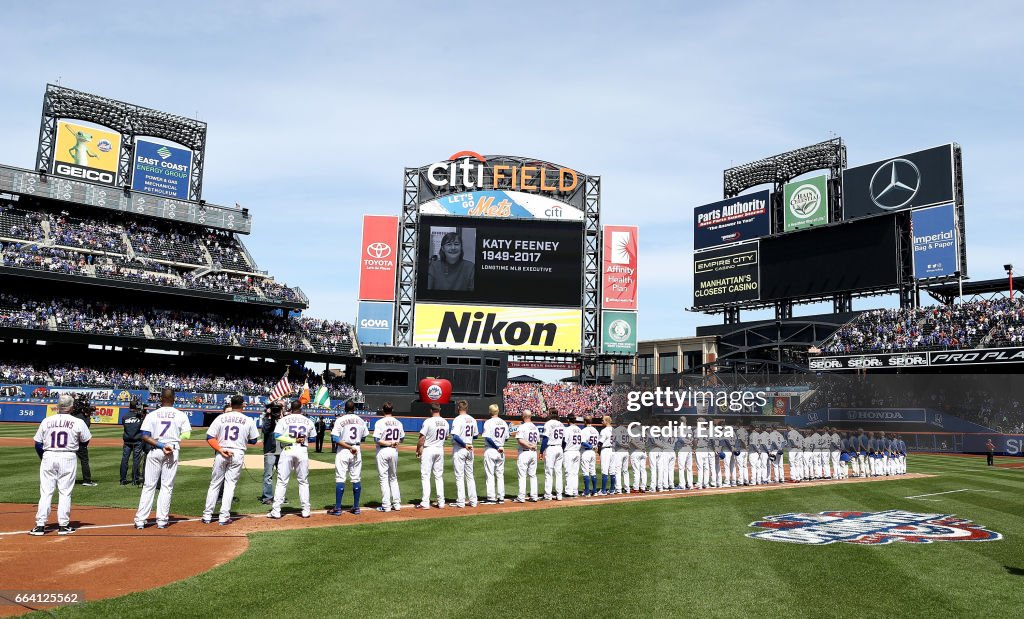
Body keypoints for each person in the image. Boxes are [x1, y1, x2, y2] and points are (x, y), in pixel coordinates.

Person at [30, 394, 92, 536]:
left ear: (58, 406)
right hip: (68, 456)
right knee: (65, 492)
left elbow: (38, 443)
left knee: (46, 492)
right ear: (71, 407)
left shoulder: (47, 421)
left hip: (49, 455)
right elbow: (85, 441)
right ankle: (63, 525)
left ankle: (40, 525)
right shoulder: (77, 422)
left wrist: (43, 457)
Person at [134, 388, 192, 529]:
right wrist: (173, 441)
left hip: (155, 450)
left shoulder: (152, 415)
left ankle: (140, 520)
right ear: (174, 399)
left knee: (149, 486)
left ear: (160, 399)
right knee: (166, 486)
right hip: (171, 451)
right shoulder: (180, 415)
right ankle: (162, 520)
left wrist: (161, 444)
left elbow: (145, 436)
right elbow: (187, 435)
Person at [202, 395, 258, 525]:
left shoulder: (221, 418)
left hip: (221, 452)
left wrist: (220, 449)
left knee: (214, 484)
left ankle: (207, 515)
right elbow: (254, 440)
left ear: (231, 404)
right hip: (237, 453)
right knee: (230, 485)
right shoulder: (248, 420)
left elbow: (210, 437)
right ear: (243, 405)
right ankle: (224, 517)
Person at [268, 400, 316, 519]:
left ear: (291, 408)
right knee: (303, 481)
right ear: (301, 408)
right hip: (302, 451)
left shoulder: (283, 420)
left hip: (288, 450)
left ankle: (276, 510)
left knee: (282, 481)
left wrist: (292, 440)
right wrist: (301, 440)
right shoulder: (308, 421)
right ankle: (306, 510)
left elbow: (277, 436)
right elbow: (313, 438)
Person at [329, 400, 369, 515]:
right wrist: (354, 445)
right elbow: (364, 437)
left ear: (344, 409)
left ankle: (337, 508)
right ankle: (356, 507)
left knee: (340, 477)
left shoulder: (340, 420)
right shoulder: (361, 420)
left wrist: (348, 446)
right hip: (356, 449)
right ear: (354, 409)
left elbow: (335, 439)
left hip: (344, 450)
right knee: (356, 478)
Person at [372, 402, 404, 512]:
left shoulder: (380, 422)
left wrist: (389, 443)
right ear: (392, 410)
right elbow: (402, 438)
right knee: (393, 477)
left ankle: (386, 505)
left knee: (383, 478)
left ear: (382, 410)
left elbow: (376, 439)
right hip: (394, 451)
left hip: (383, 450)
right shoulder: (398, 423)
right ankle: (397, 504)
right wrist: (394, 442)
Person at [416, 403, 449, 509]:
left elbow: (422, 438)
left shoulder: (428, 421)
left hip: (429, 449)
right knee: (438, 476)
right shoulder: (445, 422)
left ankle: (425, 502)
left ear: (431, 410)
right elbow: (446, 437)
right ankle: (441, 501)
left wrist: (418, 449)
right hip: (440, 449)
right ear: (440, 410)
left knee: (425, 476)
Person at [450, 400, 479, 508]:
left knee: (459, 476)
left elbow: (455, 436)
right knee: (470, 476)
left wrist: (463, 444)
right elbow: (476, 435)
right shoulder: (472, 419)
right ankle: (473, 501)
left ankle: (461, 502)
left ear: (458, 408)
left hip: (460, 448)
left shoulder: (458, 419)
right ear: (467, 408)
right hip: (470, 448)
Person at [481, 404, 510, 504]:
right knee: (500, 474)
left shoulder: (488, 422)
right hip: (501, 450)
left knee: (490, 474)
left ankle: (491, 498)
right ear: (498, 411)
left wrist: (496, 446)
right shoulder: (504, 423)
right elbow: (506, 438)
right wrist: (499, 445)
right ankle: (501, 497)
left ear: (490, 411)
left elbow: (488, 438)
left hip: (491, 450)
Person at [513, 410, 539, 503]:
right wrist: (532, 446)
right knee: (533, 475)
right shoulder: (535, 427)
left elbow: (520, 440)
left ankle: (521, 497)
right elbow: (537, 441)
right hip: (533, 453)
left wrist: (529, 446)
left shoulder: (522, 427)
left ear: (523, 416)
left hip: (525, 452)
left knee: (522, 475)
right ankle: (534, 496)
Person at [259, 403, 282, 505]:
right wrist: (269, 417)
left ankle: (280, 497)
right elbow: (265, 430)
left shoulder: (283, 421)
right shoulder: (268, 420)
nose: (276, 412)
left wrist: (281, 417)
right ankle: (267, 497)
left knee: (282, 476)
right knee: (268, 476)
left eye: (278, 410)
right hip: (270, 451)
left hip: (282, 451)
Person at [541, 408, 565, 500]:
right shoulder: (561, 424)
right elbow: (564, 440)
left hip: (551, 448)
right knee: (558, 472)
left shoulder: (548, 423)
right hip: (559, 448)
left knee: (549, 472)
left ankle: (548, 495)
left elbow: (545, 439)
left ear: (550, 413)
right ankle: (559, 494)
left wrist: (541, 451)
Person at [120, 399, 145, 486]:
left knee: (124, 460)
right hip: (137, 440)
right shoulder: (139, 416)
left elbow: (124, 425)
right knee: (136, 460)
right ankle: (135, 479)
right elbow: (143, 426)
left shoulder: (124, 416)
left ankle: (122, 480)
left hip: (127, 441)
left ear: (129, 406)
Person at [562, 419, 583, 498]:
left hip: (569, 452)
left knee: (568, 472)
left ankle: (568, 492)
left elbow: (564, 442)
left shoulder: (567, 429)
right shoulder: (579, 429)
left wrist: (562, 449)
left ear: (568, 420)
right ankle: (575, 491)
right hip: (577, 452)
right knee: (575, 473)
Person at [598, 415, 616, 495]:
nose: (602, 422)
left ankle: (603, 490)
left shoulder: (604, 430)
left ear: (606, 421)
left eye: (603, 420)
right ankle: (612, 489)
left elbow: (600, 443)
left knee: (604, 470)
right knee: (612, 470)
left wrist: (598, 451)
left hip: (606, 450)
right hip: (613, 450)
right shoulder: (614, 430)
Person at [580, 421, 600, 496]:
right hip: (593, 452)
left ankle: (587, 491)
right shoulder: (595, 430)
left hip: (586, 452)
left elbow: (583, 442)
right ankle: (594, 491)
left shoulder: (584, 430)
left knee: (586, 471)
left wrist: (590, 446)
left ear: (585, 422)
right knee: (593, 471)